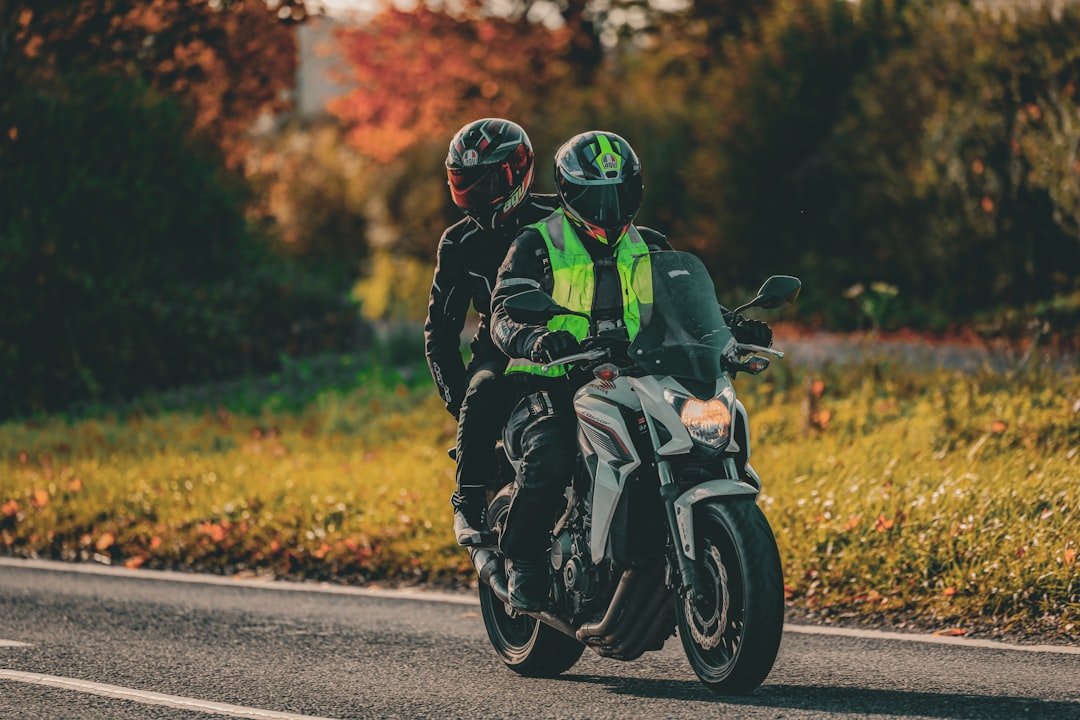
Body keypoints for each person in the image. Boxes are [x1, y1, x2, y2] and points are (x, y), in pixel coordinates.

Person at [489, 130, 772, 610]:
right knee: (553, 453)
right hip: (551, 377)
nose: (607, 208)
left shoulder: (651, 245)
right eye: (595, 196)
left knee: (699, 430)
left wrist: (728, 326)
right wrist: (535, 339)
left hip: (633, 373)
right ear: (569, 192)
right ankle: (524, 559)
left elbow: (686, 305)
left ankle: (660, 545)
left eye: (618, 194)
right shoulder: (537, 242)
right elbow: (502, 313)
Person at [425, 118, 560, 547]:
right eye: (465, 182)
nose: (477, 194)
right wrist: (458, 402)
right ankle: (467, 503)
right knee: (482, 390)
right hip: (501, 348)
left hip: (569, 339)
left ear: (517, 171)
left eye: (486, 180)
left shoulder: (560, 216)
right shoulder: (457, 242)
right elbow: (440, 332)